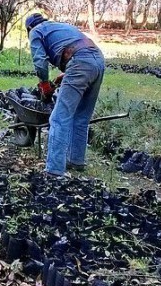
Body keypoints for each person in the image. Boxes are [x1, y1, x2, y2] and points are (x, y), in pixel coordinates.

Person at [25, 13, 105, 176]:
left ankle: (54, 170)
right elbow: (79, 48)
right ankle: (76, 161)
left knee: (58, 118)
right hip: (98, 61)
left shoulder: (35, 32)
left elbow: (40, 62)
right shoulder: (60, 25)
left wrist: (45, 84)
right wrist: (67, 73)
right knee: (81, 117)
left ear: (29, 28)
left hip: (79, 63)